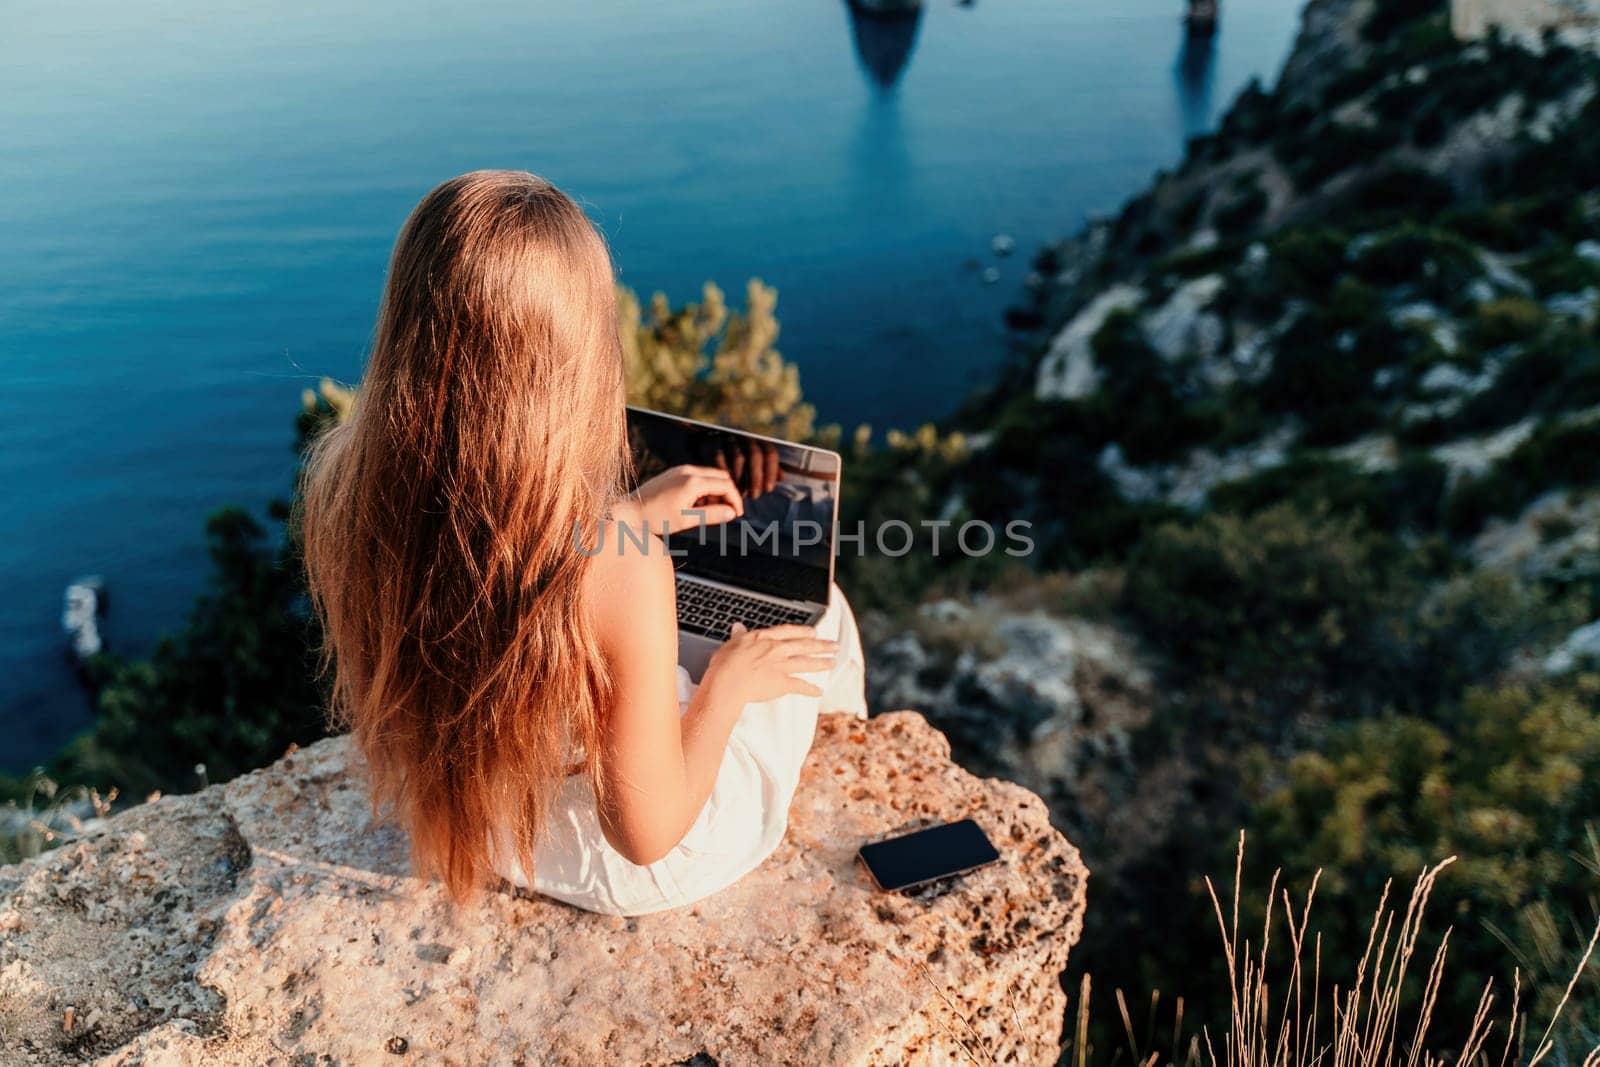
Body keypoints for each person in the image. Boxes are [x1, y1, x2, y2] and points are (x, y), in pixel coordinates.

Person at [299, 171, 866, 916]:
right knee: (821, 614)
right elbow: (647, 833)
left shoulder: (345, 473)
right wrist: (728, 683)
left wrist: (624, 516)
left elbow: (491, 562)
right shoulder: (620, 562)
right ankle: (863, 765)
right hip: (610, 859)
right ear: (573, 353)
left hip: (482, 816)